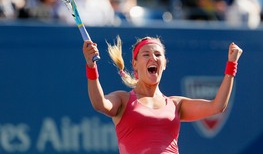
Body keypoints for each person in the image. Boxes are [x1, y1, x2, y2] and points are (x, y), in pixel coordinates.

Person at [83, 36, 243, 153]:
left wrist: (232, 65)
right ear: (135, 65)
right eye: (146, 54)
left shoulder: (175, 104)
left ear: (164, 64)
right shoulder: (123, 99)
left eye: (158, 55)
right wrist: (91, 66)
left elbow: (217, 106)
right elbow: (99, 103)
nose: (153, 58)